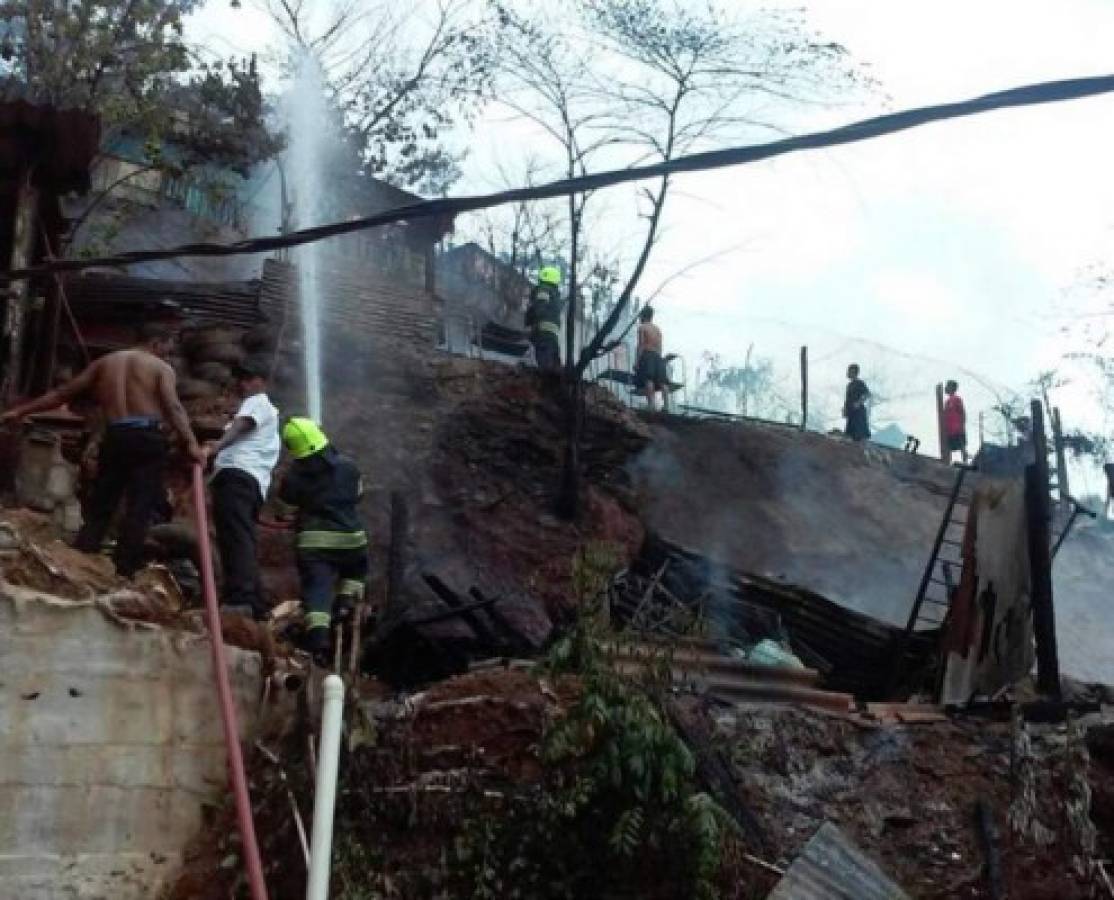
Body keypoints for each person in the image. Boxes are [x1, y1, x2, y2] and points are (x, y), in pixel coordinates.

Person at [0, 322, 204, 577]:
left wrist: (19, 411)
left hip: (116, 436)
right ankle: (125, 569)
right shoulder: (160, 368)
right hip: (147, 437)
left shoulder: (104, 363)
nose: (168, 354)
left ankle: (82, 556)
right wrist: (191, 443)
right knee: (140, 505)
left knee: (102, 503)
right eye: (167, 348)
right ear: (156, 343)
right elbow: (173, 407)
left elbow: (62, 393)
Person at [277, 417, 368, 664]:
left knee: (317, 589)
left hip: (314, 543)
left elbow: (283, 505)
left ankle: (317, 641)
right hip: (351, 538)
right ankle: (346, 601)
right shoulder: (349, 467)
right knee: (357, 569)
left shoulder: (293, 479)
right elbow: (358, 495)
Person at [204, 358, 280, 621]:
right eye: (242, 379)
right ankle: (255, 601)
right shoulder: (266, 413)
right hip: (248, 481)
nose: (244, 384)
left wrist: (215, 448)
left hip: (237, 477)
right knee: (240, 537)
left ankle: (241, 598)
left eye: (249, 378)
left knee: (236, 538)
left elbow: (242, 425)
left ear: (262, 381)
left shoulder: (258, 402)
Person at [524, 266, 565, 371]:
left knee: (544, 365)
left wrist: (530, 321)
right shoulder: (556, 297)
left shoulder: (543, 290)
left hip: (542, 331)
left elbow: (539, 307)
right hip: (553, 336)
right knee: (553, 363)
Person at [634, 306, 670, 412]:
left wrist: (637, 361)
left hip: (647, 354)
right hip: (658, 356)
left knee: (648, 379)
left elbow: (641, 345)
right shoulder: (657, 329)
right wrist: (660, 359)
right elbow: (660, 346)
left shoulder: (642, 327)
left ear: (643, 315)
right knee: (663, 382)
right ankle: (666, 406)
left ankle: (651, 406)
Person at [842, 363, 871, 442]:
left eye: (850, 371)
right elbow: (848, 399)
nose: (848, 373)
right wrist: (845, 409)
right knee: (849, 436)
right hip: (851, 413)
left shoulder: (859, 383)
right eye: (848, 371)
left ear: (855, 373)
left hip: (858, 414)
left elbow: (867, 394)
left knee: (859, 436)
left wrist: (858, 403)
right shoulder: (849, 385)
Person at [942, 379, 968, 464]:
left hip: (957, 429)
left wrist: (961, 426)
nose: (946, 388)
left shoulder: (957, 399)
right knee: (948, 447)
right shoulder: (947, 402)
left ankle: (965, 462)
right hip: (949, 430)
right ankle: (948, 463)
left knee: (961, 446)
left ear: (952, 388)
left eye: (948, 386)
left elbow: (962, 413)